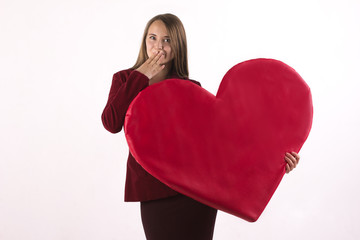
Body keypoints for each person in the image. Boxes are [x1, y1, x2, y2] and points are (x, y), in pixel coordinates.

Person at [101, 13, 300, 240]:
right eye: (152, 38)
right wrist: (141, 75)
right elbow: (111, 122)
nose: (158, 46)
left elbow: (221, 146)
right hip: (153, 191)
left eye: (167, 40)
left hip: (196, 193)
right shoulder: (125, 79)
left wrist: (275, 161)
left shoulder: (189, 88)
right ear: (144, 41)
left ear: (178, 45)